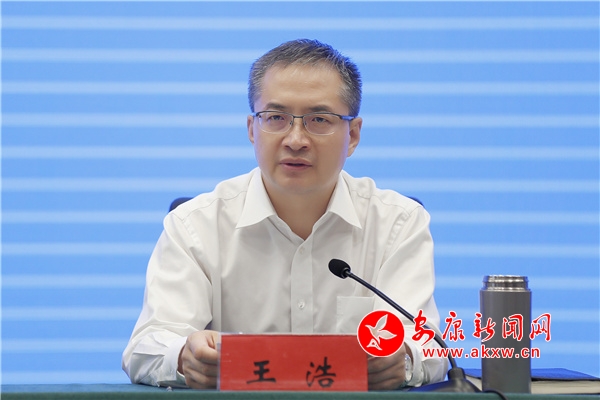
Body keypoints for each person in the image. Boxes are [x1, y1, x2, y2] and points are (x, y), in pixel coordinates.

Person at [122, 39, 446, 390]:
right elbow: (147, 345)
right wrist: (184, 357)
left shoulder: (398, 223)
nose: (295, 140)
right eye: (276, 118)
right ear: (252, 129)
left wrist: (404, 358)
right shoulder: (195, 225)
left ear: (352, 135)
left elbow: (429, 344)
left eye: (318, 119)